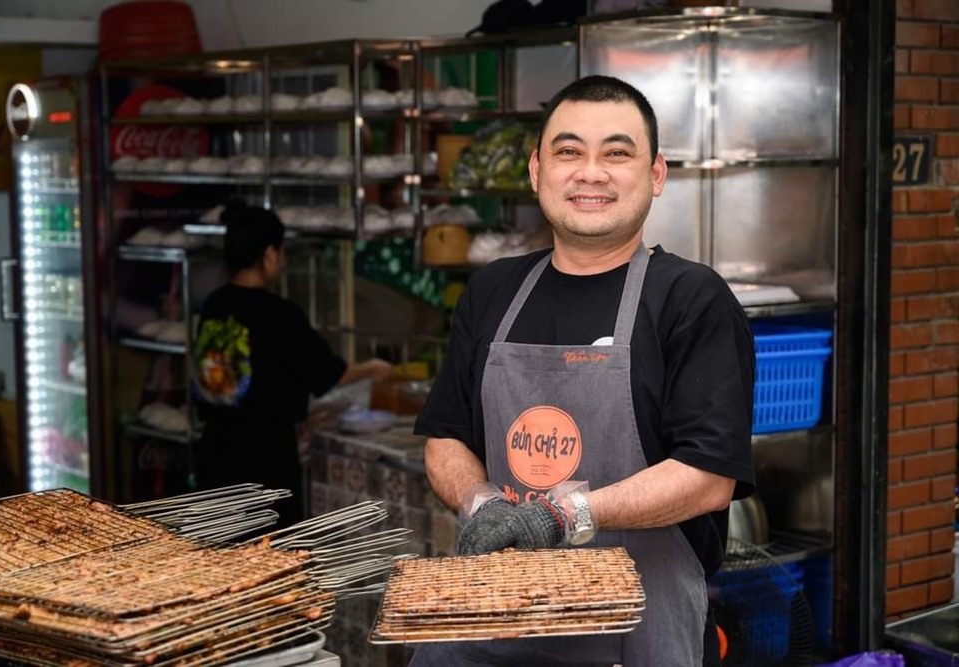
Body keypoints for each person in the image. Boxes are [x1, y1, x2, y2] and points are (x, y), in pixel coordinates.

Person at [411, 75, 756, 666]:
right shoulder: (494, 290)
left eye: (617, 153)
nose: (590, 172)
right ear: (536, 170)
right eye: (569, 152)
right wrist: (482, 503)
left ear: (656, 175)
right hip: (493, 628)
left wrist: (563, 513)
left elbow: (708, 476)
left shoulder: (689, 298)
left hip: (637, 633)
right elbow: (446, 436)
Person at [193, 201, 392, 524]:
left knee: (219, 553)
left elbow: (249, 375)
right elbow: (328, 374)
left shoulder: (216, 304)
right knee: (267, 555)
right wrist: (372, 367)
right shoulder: (278, 313)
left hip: (214, 453)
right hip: (263, 462)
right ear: (270, 254)